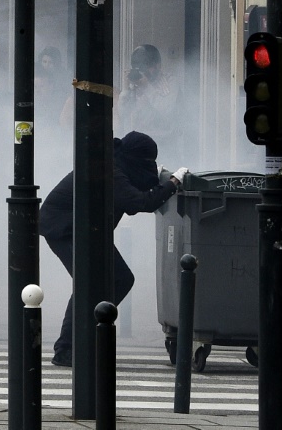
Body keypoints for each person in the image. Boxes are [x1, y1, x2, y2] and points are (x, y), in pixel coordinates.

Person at [39, 131, 188, 367]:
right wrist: (172, 184)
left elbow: (136, 188)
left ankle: (93, 324)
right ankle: (66, 348)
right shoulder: (111, 169)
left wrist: (158, 180)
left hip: (88, 230)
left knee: (121, 279)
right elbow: (138, 202)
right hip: (64, 228)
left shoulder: (119, 162)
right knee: (87, 283)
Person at [117, 44, 180, 164]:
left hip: (163, 147)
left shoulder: (169, 82)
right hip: (137, 148)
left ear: (158, 65)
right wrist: (126, 90)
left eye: (147, 67)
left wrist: (147, 87)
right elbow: (123, 113)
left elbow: (166, 112)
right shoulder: (135, 84)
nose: (144, 73)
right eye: (139, 68)